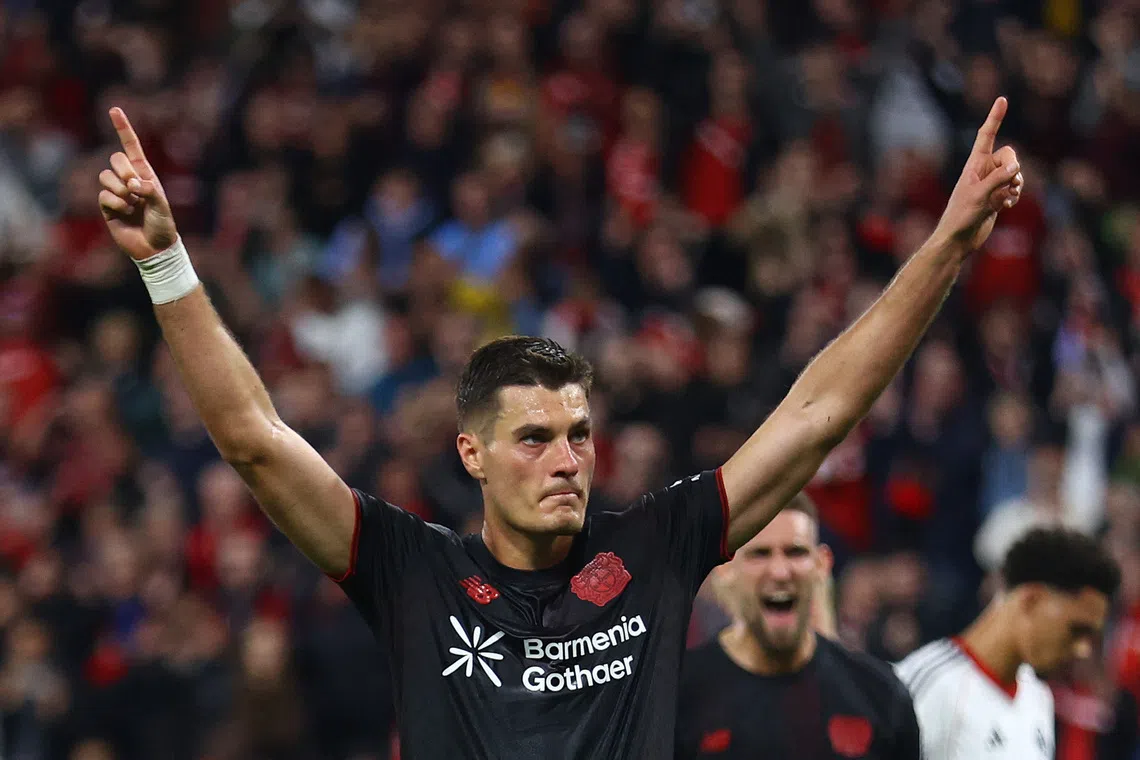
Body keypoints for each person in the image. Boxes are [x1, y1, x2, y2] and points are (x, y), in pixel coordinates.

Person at [96, 95, 1024, 759]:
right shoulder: (413, 571)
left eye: (579, 433)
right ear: (473, 454)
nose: (568, 458)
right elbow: (255, 441)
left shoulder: (657, 547)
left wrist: (947, 246)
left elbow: (822, 414)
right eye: (534, 437)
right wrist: (167, 264)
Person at [675, 496, 920, 759]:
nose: (780, 572)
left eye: (795, 552)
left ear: (821, 564)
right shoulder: (676, 698)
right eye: (760, 554)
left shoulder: (880, 695)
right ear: (725, 570)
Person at [894, 527, 1121, 760]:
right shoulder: (924, 684)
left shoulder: (1038, 697)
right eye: (1076, 629)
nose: (1082, 649)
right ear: (1031, 600)